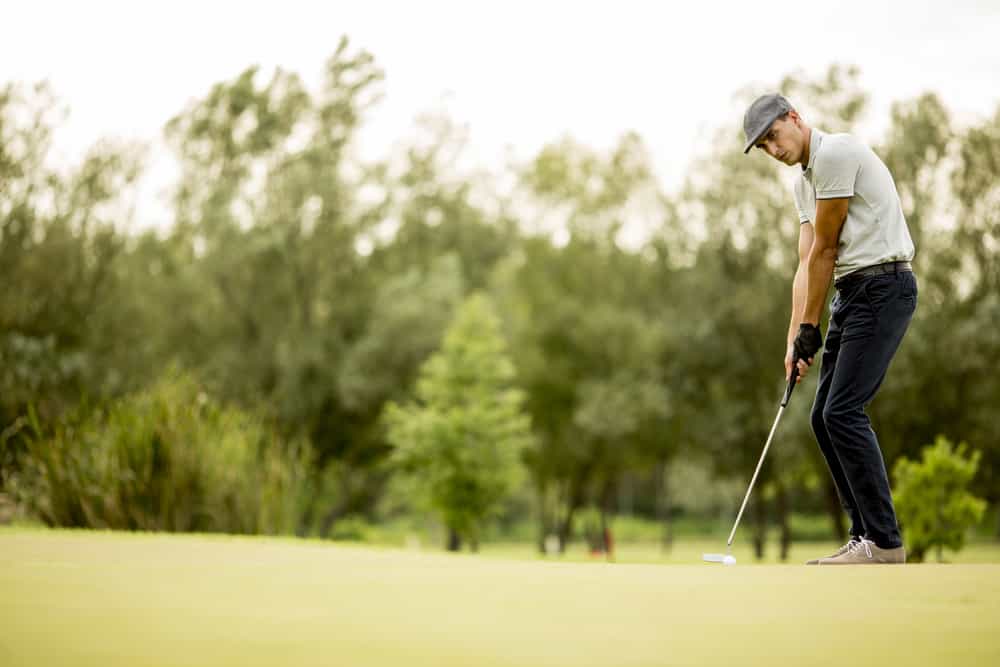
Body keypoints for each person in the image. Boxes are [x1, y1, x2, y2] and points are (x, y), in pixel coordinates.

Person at [743, 94, 917, 564]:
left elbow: (825, 250)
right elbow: (804, 262)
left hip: (885, 287)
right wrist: (793, 337)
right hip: (851, 294)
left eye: (773, 137)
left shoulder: (836, 154)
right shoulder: (804, 184)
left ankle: (885, 542)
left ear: (795, 119)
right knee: (822, 417)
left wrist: (811, 326)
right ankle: (865, 537)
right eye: (763, 147)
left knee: (843, 411)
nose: (772, 150)